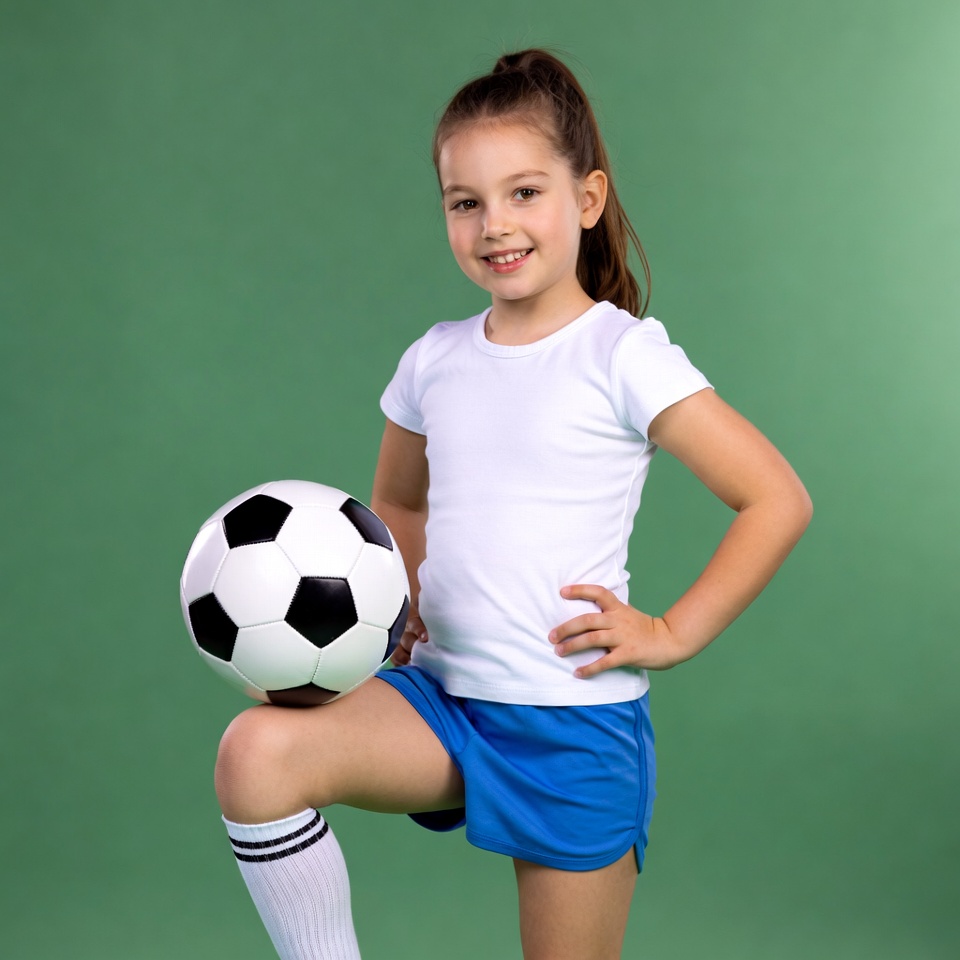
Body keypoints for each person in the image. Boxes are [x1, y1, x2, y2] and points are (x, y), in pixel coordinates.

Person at [214, 49, 813, 960]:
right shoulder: (434, 359)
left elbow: (774, 498)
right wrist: (402, 601)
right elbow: (397, 501)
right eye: (465, 202)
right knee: (256, 753)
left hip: (572, 730)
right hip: (442, 700)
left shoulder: (623, 355)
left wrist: (671, 631)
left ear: (588, 198)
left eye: (524, 192)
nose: (495, 224)